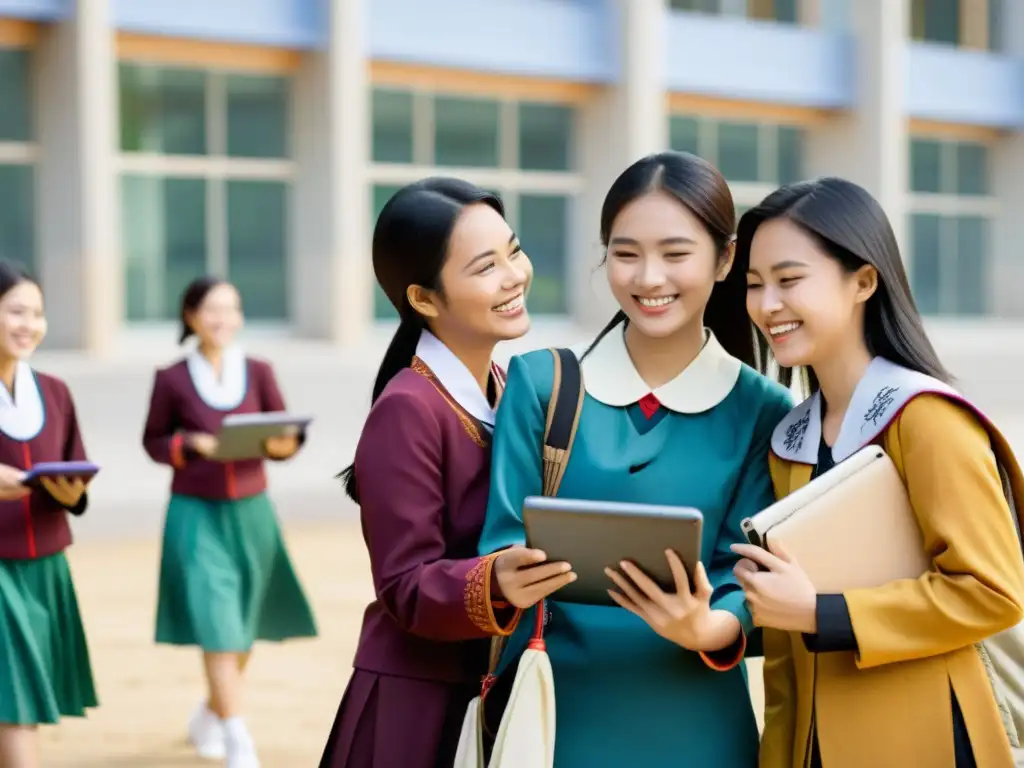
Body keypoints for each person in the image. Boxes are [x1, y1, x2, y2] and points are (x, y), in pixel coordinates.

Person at [476, 151, 793, 766]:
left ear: (726, 259)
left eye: (676, 254)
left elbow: (746, 573)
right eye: (625, 254)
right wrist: (505, 573)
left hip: (697, 718)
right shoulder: (539, 384)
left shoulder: (764, 409)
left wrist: (712, 626)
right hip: (554, 714)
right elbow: (501, 536)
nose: (649, 278)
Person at [730, 177, 1024, 768]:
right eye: (755, 285)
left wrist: (822, 613)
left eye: (789, 280)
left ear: (864, 281)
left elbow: (993, 592)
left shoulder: (926, 418)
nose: (767, 305)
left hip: (927, 736)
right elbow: (787, 651)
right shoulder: (790, 438)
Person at [318, 178, 571, 768]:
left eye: (513, 250)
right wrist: (495, 580)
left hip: (484, 684)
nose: (514, 275)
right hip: (417, 701)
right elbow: (404, 585)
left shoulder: (508, 387)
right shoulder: (408, 408)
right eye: (486, 267)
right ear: (425, 300)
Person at [143, 276, 318, 768]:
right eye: (212, 309)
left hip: (253, 511)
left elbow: (283, 434)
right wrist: (191, 444)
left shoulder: (259, 369)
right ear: (191, 316)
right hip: (195, 514)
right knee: (217, 619)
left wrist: (283, 443)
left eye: (232, 309)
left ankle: (211, 711)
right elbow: (154, 440)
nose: (223, 319)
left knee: (241, 623)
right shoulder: (171, 378)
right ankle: (239, 737)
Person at [0, 260, 97, 768]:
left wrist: (67, 492)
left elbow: (75, 489)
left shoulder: (55, 391)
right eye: (16, 310)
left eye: (37, 313)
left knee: (19, 705)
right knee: (15, 706)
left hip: (46, 569)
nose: (29, 324)